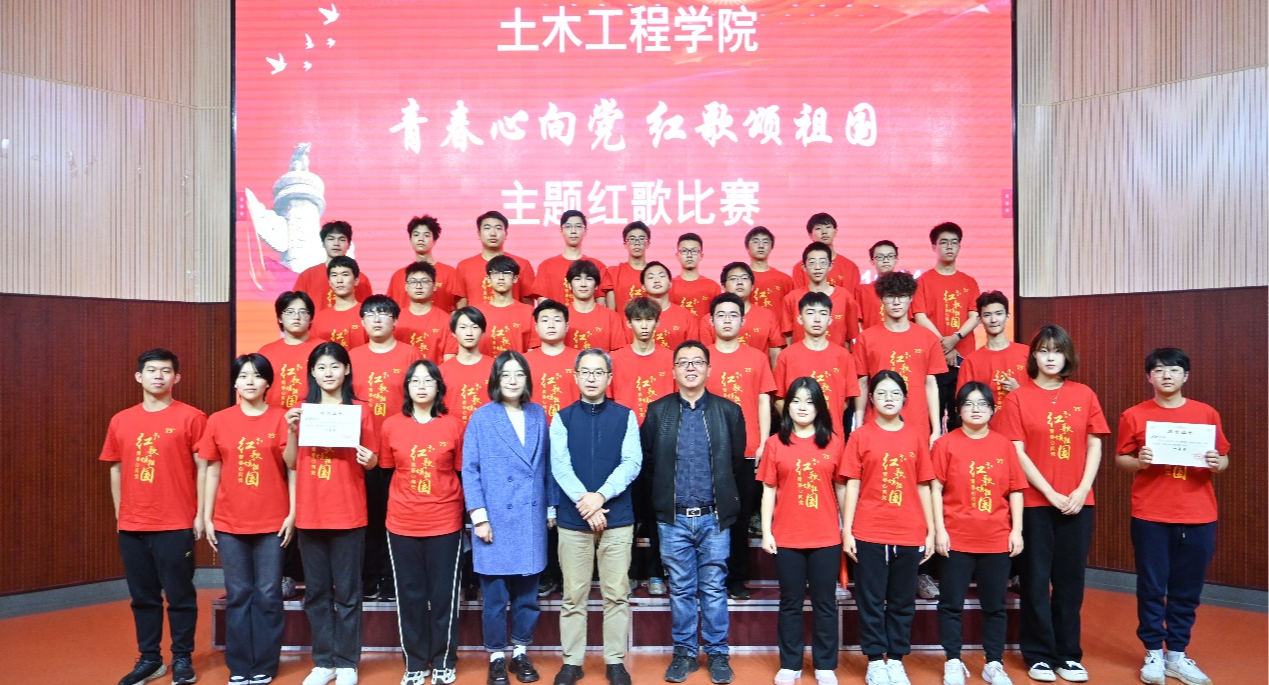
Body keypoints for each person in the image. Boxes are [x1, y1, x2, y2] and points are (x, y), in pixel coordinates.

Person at [995, 325, 1109, 684]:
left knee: (1070, 581)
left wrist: (1082, 489)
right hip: (1034, 503)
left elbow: (1095, 443)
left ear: (1067, 356)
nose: (1050, 357)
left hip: (1078, 502)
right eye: (1043, 351)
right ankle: (1039, 654)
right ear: (1033, 356)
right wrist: (1049, 492)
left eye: (1057, 351)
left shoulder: (1084, 394)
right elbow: (1016, 451)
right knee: (1035, 579)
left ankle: (1068, 654)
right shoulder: (1018, 398)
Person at [1115, 348, 1230, 685]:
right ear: (1149, 376)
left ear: (1186, 376)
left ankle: (1177, 654)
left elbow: (1224, 459)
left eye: (1175, 369)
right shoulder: (1134, 415)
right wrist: (1140, 461)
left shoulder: (1206, 413)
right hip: (1151, 513)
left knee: (1187, 589)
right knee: (1151, 587)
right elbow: (1122, 458)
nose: (1167, 375)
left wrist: (1216, 464)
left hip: (1199, 514)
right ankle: (1153, 652)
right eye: (1160, 369)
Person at [101, 349, 208, 685]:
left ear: (176, 377)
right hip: (132, 525)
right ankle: (150, 659)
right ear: (139, 377)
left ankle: (182, 658)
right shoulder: (121, 420)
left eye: (165, 370)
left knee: (180, 595)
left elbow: (204, 468)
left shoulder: (192, 417)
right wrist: (120, 513)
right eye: (151, 370)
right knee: (143, 597)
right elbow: (116, 469)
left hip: (175, 523)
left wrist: (200, 515)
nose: (158, 376)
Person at [641, 341, 746, 684]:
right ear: (673, 370)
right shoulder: (657, 412)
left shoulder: (728, 411)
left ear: (708, 370)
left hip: (714, 517)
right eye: (683, 362)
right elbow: (649, 463)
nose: (690, 368)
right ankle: (684, 653)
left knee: (714, 588)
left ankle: (717, 653)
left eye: (697, 362)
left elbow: (734, 462)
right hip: (673, 518)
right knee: (682, 589)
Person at [200, 354, 296, 685]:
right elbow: (213, 471)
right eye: (243, 375)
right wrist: (207, 516)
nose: (250, 381)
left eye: (257, 375)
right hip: (229, 522)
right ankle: (240, 665)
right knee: (238, 593)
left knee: (268, 594)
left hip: (272, 522)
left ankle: (265, 664)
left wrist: (293, 513)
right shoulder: (218, 420)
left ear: (268, 382)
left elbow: (292, 467)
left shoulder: (282, 418)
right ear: (235, 382)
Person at [549, 349, 643, 685]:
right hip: (574, 520)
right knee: (573, 595)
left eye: (598, 372)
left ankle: (615, 661)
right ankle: (572, 662)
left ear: (609, 378)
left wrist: (600, 497)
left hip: (617, 518)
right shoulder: (562, 418)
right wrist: (586, 503)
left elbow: (632, 463)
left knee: (616, 593)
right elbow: (559, 466)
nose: (591, 378)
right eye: (585, 372)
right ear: (575, 376)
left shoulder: (625, 416)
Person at [286, 342, 378, 685]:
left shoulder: (360, 411)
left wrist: (370, 459)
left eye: (335, 366)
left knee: (349, 593)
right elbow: (291, 462)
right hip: (310, 514)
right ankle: (324, 661)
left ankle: (347, 662)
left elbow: (374, 460)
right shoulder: (301, 411)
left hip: (348, 513)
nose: (328, 373)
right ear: (312, 372)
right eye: (321, 367)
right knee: (317, 593)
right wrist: (291, 431)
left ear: (347, 370)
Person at [463, 351, 555, 685]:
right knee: (495, 597)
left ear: (527, 379)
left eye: (519, 374)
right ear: (496, 380)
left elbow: (547, 465)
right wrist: (479, 517)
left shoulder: (537, 413)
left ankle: (520, 651)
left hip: (530, 516)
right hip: (495, 519)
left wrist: (551, 506)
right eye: (506, 375)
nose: (513, 381)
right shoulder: (482, 417)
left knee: (527, 596)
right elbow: (470, 470)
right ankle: (496, 656)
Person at [837, 371, 935, 685]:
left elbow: (923, 485)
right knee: (870, 599)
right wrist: (848, 530)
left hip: (908, 529)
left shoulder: (916, 436)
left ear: (905, 398)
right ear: (872, 399)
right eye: (881, 393)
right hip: (869, 529)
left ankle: (896, 659)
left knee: (902, 600)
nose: (888, 399)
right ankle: (874, 660)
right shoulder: (860, 436)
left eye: (895, 393)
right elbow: (852, 484)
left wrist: (931, 530)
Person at [931, 382, 1027, 685]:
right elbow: (935, 489)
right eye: (969, 404)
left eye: (983, 404)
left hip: (996, 538)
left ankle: (994, 662)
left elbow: (1016, 490)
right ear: (957, 410)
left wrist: (1017, 531)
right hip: (956, 537)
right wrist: (939, 531)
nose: (976, 409)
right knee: (951, 604)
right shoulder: (945, 444)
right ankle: (953, 661)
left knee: (995, 606)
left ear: (992, 409)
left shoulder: (1004, 445)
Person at [379, 360, 467, 685]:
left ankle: (443, 659)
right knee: (410, 595)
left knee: (444, 595)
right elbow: (387, 470)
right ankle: (415, 662)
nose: (421, 386)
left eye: (428, 380)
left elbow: (462, 471)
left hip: (445, 522)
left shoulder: (454, 425)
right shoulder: (391, 425)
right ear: (406, 387)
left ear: (438, 387)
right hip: (402, 523)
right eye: (414, 380)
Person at [758, 377, 845, 685]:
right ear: (787, 407)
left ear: (819, 406)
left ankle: (825, 665)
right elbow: (769, 490)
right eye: (796, 401)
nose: (802, 407)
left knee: (825, 603)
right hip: (787, 536)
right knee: (790, 603)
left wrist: (846, 529)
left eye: (809, 401)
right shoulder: (775, 443)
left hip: (826, 536)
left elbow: (842, 488)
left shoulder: (833, 442)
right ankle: (790, 663)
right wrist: (766, 532)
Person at [349, 296, 423, 602]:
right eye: (370, 314)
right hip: (360, 454)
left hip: (400, 453)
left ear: (395, 320)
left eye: (383, 313)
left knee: (399, 521)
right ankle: (369, 579)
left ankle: (394, 580)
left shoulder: (410, 355)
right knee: (367, 521)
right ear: (362, 322)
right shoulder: (351, 357)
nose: (377, 319)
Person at [704, 293, 777, 601]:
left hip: (747, 450)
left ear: (743, 321)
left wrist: (763, 441)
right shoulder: (702, 357)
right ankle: (709, 576)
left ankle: (736, 579)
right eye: (721, 315)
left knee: (739, 516)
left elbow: (763, 400)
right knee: (708, 518)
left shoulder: (757, 358)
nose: (727, 320)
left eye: (733, 315)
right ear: (711, 321)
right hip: (707, 452)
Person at [612, 297, 677, 597]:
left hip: (660, 446)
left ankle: (655, 572)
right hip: (624, 446)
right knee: (626, 513)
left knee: (656, 513)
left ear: (657, 323)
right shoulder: (616, 360)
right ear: (628, 323)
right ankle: (629, 572)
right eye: (638, 319)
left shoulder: (670, 358)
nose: (644, 325)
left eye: (649, 319)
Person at [853, 271, 948, 444]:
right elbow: (862, 383)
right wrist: (858, 424)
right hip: (876, 423)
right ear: (881, 299)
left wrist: (936, 429)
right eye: (890, 297)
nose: (896, 302)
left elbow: (931, 385)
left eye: (902, 296)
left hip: (917, 423)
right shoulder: (866, 338)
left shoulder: (928, 338)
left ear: (911, 298)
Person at [913, 223, 981, 432]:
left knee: (960, 415)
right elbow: (919, 316)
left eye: (954, 242)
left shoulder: (969, 282)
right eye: (944, 242)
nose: (949, 246)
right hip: (934, 359)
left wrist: (955, 338)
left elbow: (975, 316)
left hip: (963, 359)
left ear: (959, 246)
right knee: (932, 416)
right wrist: (945, 345)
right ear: (934, 247)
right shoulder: (923, 281)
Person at [773, 292, 862, 434]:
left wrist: (824, 421)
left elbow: (845, 401)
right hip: (796, 435)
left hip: (832, 435)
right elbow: (778, 399)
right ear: (800, 319)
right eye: (810, 313)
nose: (817, 319)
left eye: (823, 313)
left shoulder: (844, 356)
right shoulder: (787, 356)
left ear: (830, 319)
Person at [699, 262, 785, 368]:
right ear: (723, 286)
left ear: (752, 286)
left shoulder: (768, 316)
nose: (739, 282)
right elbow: (706, 357)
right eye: (733, 278)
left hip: (756, 374)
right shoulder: (708, 320)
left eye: (744, 278)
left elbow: (775, 354)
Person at [956, 291, 1029, 409]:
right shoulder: (971, 361)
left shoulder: (1027, 353)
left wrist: (1017, 391)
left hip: (1021, 419)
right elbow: (963, 403)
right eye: (987, 315)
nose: (993, 320)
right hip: (986, 421)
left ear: (1008, 316)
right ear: (979, 319)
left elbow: (1040, 396)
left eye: (999, 313)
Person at [451, 256, 537, 356]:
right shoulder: (477, 312)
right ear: (488, 279)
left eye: (506, 273)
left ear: (515, 278)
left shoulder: (528, 312)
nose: (501, 277)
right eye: (496, 273)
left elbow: (533, 351)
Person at [782, 243, 859, 349]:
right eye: (812, 263)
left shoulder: (845, 297)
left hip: (836, 358)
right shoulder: (791, 298)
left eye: (822, 262)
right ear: (804, 267)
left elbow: (850, 338)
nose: (817, 267)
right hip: (801, 358)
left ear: (830, 266)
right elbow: (788, 338)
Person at [454, 211, 536, 307]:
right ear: (479, 234)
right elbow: (461, 306)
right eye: (487, 228)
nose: (493, 233)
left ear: (506, 234)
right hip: (477, 317)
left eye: (498, 228)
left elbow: (527, 305)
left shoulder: (522, 264)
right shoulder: (464, 266)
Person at [534, 210, 614, 306]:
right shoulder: (546, 266)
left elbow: (600, 305)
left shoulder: (597, 266)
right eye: (568, 226)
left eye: (578, 226)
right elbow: (544, 306)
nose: (573, 231)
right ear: (561, 230)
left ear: (585, 231)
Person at [292, 221, 374, 310]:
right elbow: (296, 307)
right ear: (323, 243)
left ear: (349, 244)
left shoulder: (361, 279)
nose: (336, 243)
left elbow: (368, 310)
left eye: (342, 239)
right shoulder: (307, 276)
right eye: (331, 239)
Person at [260, 291, 321, 409]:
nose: (296, 317)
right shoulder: (266, 352)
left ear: (311, 318)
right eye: (289, 312)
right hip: (275, 418)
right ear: (280, 318)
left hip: (312, 416)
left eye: (303, 312)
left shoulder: (323, 350)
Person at [386, 215, 458, 313]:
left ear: (434, 240)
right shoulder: (398, 276)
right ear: (410, 240)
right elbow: (391, 310)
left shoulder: (450, 273)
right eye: (416, 235)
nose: (421, 239)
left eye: (426, 235)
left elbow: (455, 310)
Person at [524, 299, 580, 422]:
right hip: (534, 427)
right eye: (544, 321)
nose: (551, 325)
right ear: (536, 327)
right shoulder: (523, 362)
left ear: (566, 326)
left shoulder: (581, 360)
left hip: (573, 426)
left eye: (557, 320)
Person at [439, 307, 495, 425]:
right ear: (453, 332)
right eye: (463, 327)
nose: (469, 333)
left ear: (483, 332)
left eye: (475, 327)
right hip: (453, 433)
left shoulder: (495, 368)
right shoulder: (441, 372)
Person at [394, 261, 457, 364]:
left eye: (424, 281)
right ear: (406, 286)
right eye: (413, 282)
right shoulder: (395, 319)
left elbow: (449, 363)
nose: (419, 286)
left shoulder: (447, 321)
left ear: (434, 286)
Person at [564, 259, 626, 351]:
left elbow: (618, 353)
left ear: (596, 285)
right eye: (577, 279)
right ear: (569, 285)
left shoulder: (611, 317)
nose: (583, 284)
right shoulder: (561, 316)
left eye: (589, 279)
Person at [636, 261, 699, 349]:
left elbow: (692, 350)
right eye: (651, 277)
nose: (657, 280)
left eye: (662, 276)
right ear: (643, 287)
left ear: (670, 283)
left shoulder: (686, 316)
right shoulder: (634, 317)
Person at [791, 213, 861, 291]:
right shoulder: (800, 268)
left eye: (828, 227)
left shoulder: (850, 267)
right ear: (810, 235)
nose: (824, 232)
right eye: (818, 228)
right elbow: (799, 296)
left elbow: (851, 297)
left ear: (835, 232)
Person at [311, 256, 369, 349]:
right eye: (334, 275)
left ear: (356, 281)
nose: (339, 280)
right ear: (330, 282)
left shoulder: (368, 315)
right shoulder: (318, 319)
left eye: (345, 275)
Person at [669, 233, 722, 317]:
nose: (689, 255)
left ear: (701, 255)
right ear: (677, 255)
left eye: (694, 251)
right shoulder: (669, 286)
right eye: (684, 251)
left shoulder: (713, 287)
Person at [745, 226, 795, 312]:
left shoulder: (785, 280)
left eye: (765, 242)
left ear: (771, 247)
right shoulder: (741, 279)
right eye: (756, 242)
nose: (761, 246)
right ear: (747, 247)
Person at [856, 241, 899, 332]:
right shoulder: (862, 291)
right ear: (872, 261)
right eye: (880, 257)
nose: (886, 260)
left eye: (890, 256)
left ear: (896, 260)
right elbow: (857, 323)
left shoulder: (905, 290)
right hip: (872, 339)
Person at [608, 221, 650, 312]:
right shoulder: (613, 273)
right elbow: (611, 312)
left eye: (641, 239)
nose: (637, 243)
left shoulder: (655, 274)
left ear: (648, 244)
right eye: (632, 239)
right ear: (625, 244)